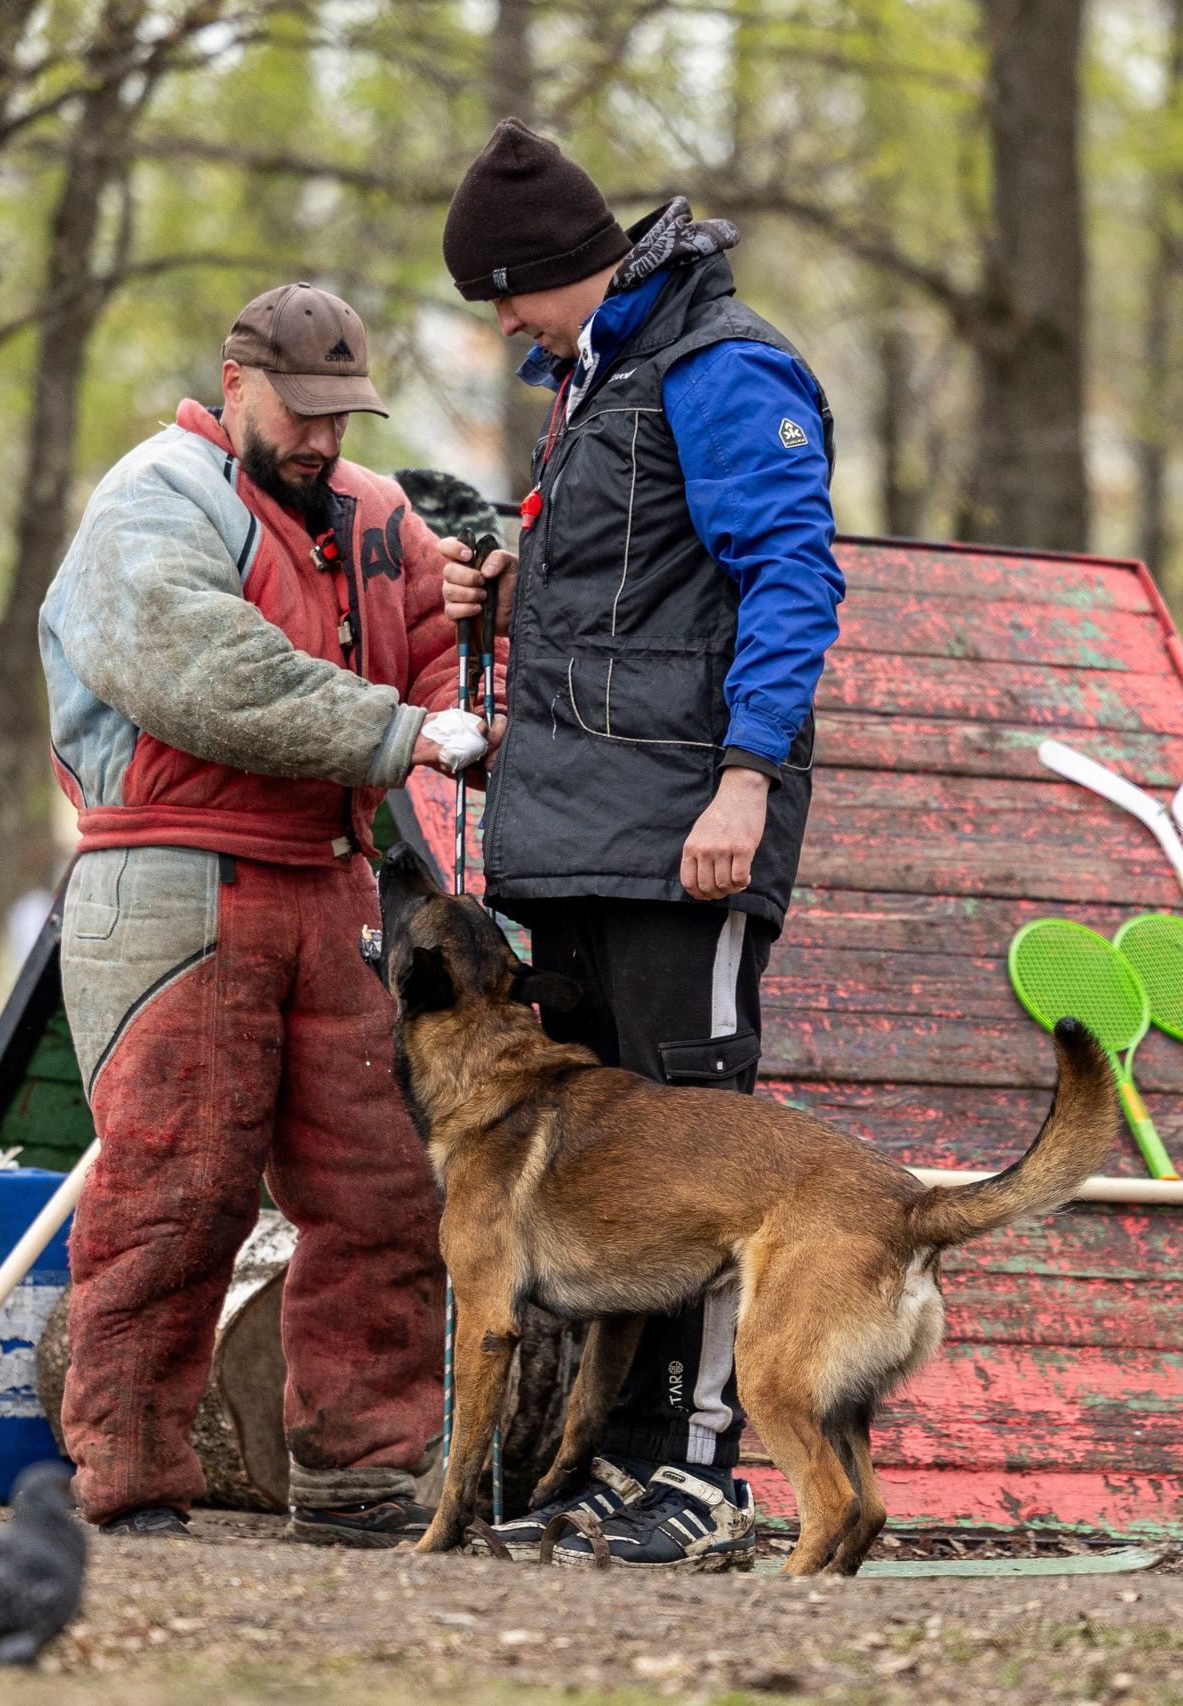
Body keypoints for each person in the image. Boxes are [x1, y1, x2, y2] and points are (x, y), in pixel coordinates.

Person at [438, 120, 846, 1569]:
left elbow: (789, 575)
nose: (503, 325)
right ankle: (614, 1465)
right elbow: (631, 592)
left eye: (509, 293)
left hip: (687, 836)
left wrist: (745, 780)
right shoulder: (594, 378)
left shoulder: (721, 366)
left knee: (717, 1164)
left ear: (564, 266)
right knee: (618, 1180)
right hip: (576, 839)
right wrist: (503, 586)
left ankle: (705, 1467)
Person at [40, 282, 489, 1547]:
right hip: (172, 875)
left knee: (386, 1188)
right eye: (300, 411)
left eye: (343, 415)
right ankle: (126, 1480)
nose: (323, 439)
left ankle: (363, 1473)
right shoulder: (151, 503)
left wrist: (476, 652)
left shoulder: (378, 514)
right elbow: (208, 676)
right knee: (176, 1191)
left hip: (333, 875)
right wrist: (404, 731)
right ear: (232, 384)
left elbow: (438, 663)